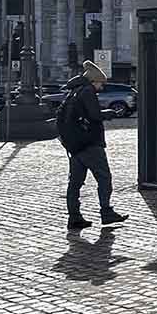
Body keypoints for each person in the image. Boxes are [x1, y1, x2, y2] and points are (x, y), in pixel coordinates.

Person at [61, 60, 128, 231]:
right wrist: (108, 113)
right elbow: (94, 115)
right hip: (90, 143)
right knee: (104, 177)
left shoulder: (73, 92)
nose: (101, 87)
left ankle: (74, 217)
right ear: (93, 81)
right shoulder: (87, 92)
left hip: (74, 145)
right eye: (100, 83)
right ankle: (106, 212)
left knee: (75, 182)